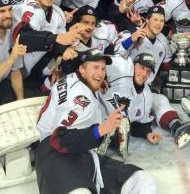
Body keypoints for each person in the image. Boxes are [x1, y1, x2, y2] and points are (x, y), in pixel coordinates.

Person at [35, 49, 158, 194]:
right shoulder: (80, 100)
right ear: (82, 68)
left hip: (83, 153)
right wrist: (101, 130)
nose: (100, 73)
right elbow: (59, 139)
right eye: (95, 67)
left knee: (141, 180)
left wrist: (99, 83)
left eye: (103, 69)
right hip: (54, 154)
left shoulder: (77, 79)